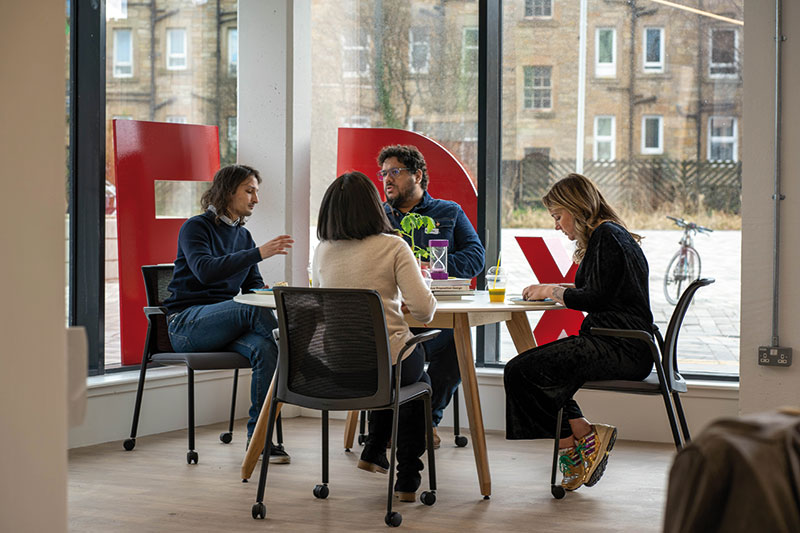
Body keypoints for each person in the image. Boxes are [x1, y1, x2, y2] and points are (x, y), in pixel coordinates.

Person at [503, 173, 655, 491]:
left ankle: (574, 448)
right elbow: (600, 289)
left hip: (620, 347)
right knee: (534, 372)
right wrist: (556, 289)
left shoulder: (607, 236)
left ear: (576, 207)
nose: (557, 225)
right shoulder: (613, 235)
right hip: (621, 343)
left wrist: (551, 290)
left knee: (521, 371)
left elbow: (594, 298)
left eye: (558, 216)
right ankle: (584, 436)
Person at [313, 171, 437, 502]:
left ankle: (374, 448)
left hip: (337, 369)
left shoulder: (322, 251)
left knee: (391, 370)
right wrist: (419, 289)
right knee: (415, 375)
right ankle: (407, 478)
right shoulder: (393, 246)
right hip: (386, 365)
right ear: (373, 207)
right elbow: (424, 311)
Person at [164, 164, 295, 464]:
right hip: (187, 325)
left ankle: (259, 440)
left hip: (226, 327)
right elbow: (206, 271)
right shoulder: (196, 227)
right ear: (227, 192)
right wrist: (259, 253)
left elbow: (251, 286)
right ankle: (297, 355)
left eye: (256, 192)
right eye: (249, 191)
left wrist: (272, 292)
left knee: (265, 348)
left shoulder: (243, 237)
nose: (255, 200)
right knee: (261, 325)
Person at [377, 144, 485, 447]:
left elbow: (476, 258)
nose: (387, 179)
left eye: (395, 172)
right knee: (401, 355)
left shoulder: (448, 212)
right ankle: (407, 426)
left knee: (455, 356)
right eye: (384, 173)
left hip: (437, 314)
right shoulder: (377, 217)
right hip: (393, 316)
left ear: (418, 175)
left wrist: (432, 266)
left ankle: (426, 421)